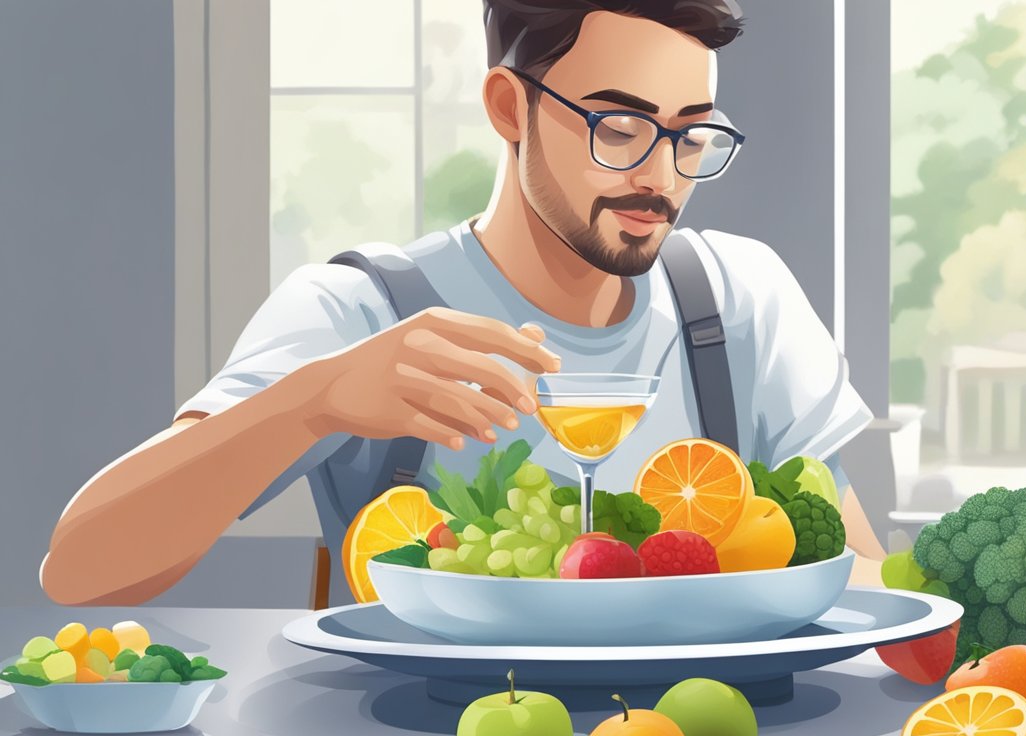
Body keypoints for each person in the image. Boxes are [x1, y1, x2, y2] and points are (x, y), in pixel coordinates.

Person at [41, 0, 888, 606]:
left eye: (691, 134)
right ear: (507, 106)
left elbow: (859, 582)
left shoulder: (740, 300)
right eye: (618, 128)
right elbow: (81, 569)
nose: (661, 178)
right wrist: (314, 402)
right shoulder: (361, 309)